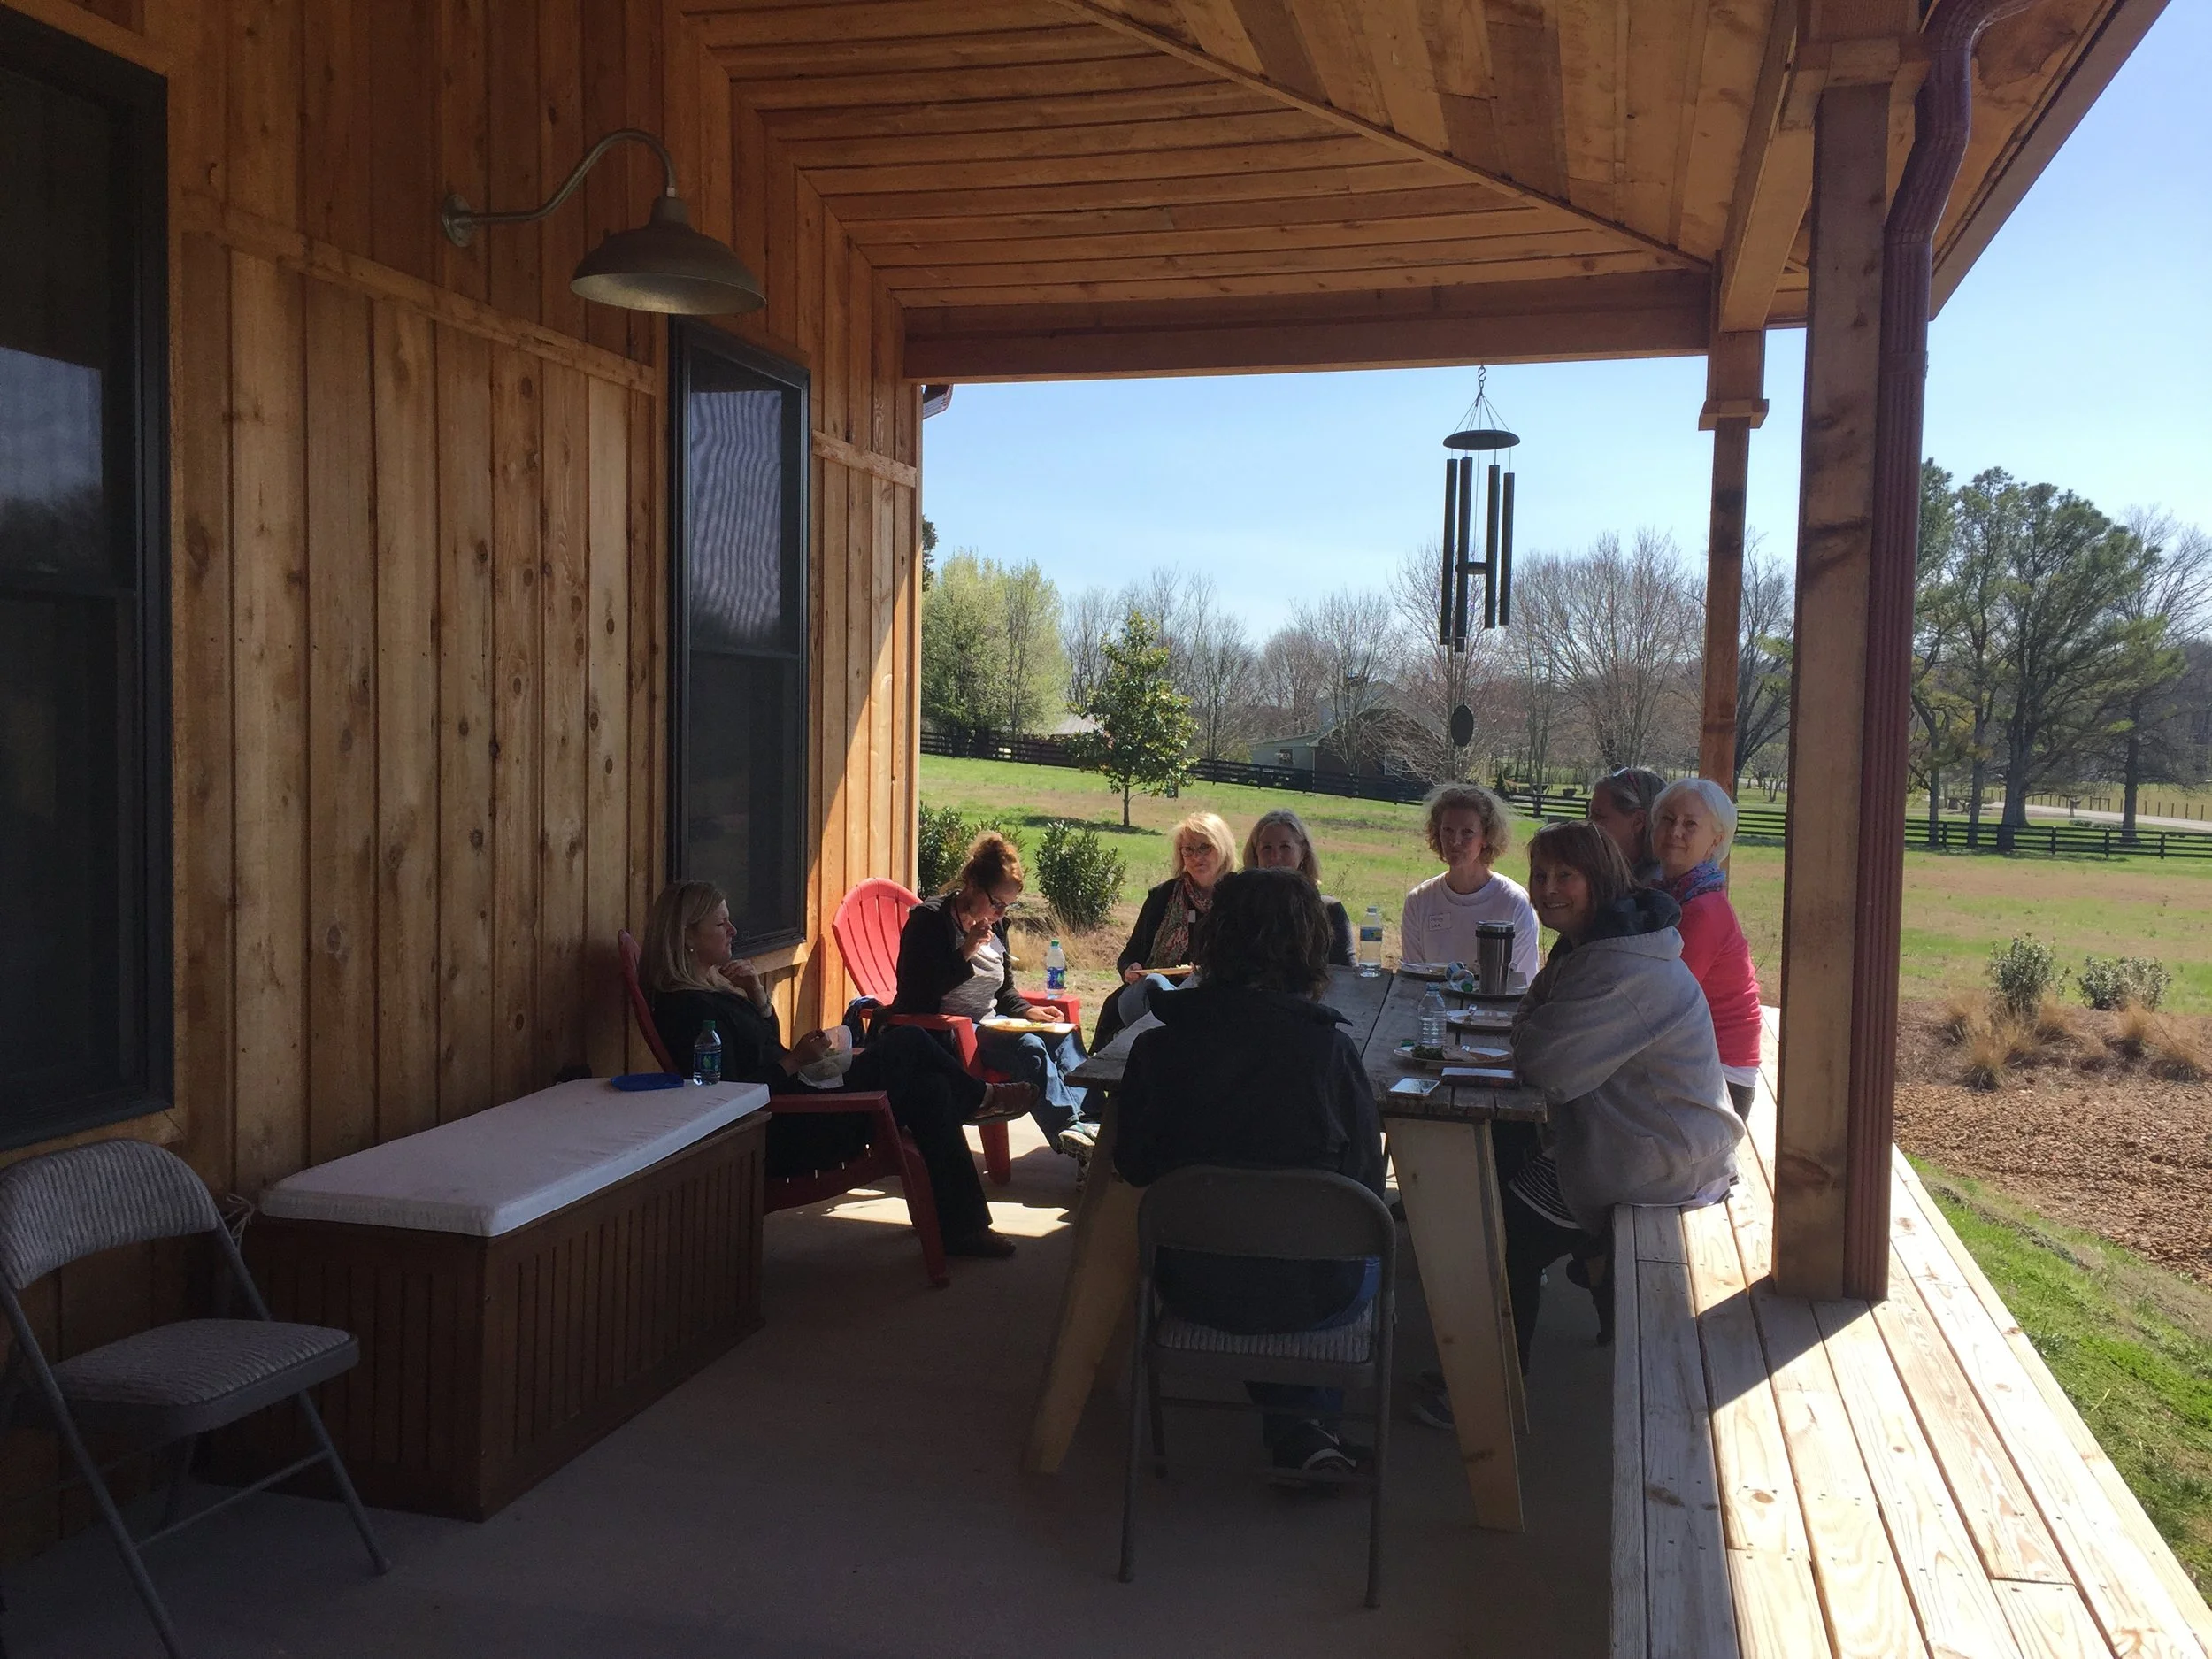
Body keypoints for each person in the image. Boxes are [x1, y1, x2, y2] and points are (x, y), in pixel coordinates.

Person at [1112, 868, 1386, 1484]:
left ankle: (1301, 1430)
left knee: (1261, 1247)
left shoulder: (1158, 1049)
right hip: (1317, 1294)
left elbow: (1133, 1165)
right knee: (1353, 1247)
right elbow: (1364, 1190)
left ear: (1214, 939)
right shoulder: (1329, 1054)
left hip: (1192, 1284)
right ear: (1311, 947)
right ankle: (1303, 1426)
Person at [641, 881, 1033, 1259]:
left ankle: (964, 1230)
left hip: (805, 1100)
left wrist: (758, 996)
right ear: (687, 935)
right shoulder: (689, 1010)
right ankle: (980, 1098)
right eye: (720, 923)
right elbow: (727, 1097)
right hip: (793, 1130)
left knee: (931, 1089)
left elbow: (762, 1048)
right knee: (908, 1040)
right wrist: (795, 1061)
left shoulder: (714, 989)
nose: (733, 930)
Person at [1504, 822, 1742, 1370]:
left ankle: (1494, 1383)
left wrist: (1529, 1030)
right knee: (1508, 1162)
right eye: (1539, 875)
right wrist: (1533, 1026)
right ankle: (1599, 1279)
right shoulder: (1594, 947)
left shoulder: (1617, 965)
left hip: (1661, 1157)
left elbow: (1542, 1064)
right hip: (1648, 1136)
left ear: (1601, 880)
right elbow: (1535, 1019)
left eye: (1566, 875)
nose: (1547, 889)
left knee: (1504, 1235)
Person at [891, 830, 1094, 1157]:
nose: (1000, 913)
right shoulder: (931, 921)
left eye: (1008, 906)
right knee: (1030, 1046)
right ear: (973, 885)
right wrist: (966, 951)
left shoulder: (995, 924)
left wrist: (1027, 1011)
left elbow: (1005, 989)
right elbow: (914, 995)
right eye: (997, 903)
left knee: (1063, 1036)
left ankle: (1097, 1125)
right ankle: (1072, 1131)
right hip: (947, 1035)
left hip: (990, 1024)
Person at [1650, 779, 1763, 1118]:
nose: (1675, 832)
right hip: (1690, 1058)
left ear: (1715, 841)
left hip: (1721, 1077)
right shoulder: (1670, 893)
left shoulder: (1703, 909)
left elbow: (1663, 1002)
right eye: (1667, 819)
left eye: (1690, 824)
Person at [1090, 810, 1238, 1052]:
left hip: (1213, 1000)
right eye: (1188, 850)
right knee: (1154, 985)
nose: (1196, 857)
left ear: (1223, 847)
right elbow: (1130, 954)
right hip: (1152, 996)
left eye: (1205, 847)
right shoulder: (1164, 896)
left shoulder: (1241, 898)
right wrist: (1129, 968)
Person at [1398, 784, 1540, 983]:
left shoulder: (1514, 903)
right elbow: (1413, 982)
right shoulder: (1419, 901)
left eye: (1467, 832)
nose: (1455, 841)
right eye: (1448, 830)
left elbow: (1523, 984)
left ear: (1486, 837)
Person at [1243, 808, 1355, 967]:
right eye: (1267, 848)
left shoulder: (1329, 911)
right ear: (1256, 855)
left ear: (1303, 852)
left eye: (1285, 847)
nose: (1275, 856)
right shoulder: (1241, 909)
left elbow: (1347, 973)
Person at [1586, 767, 1667, 887]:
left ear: (1638, 821)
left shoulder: (1656, 889)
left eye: (1599, 816)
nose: (1588, 825)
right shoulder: (1605, 872)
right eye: (1590, 816)